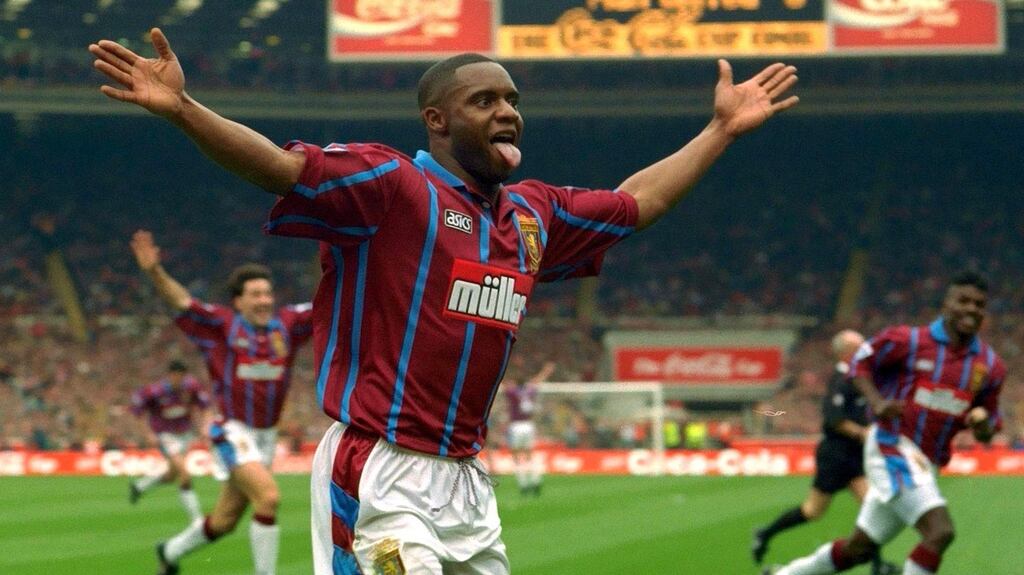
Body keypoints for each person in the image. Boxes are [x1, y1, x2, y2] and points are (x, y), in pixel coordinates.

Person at [90, 28, 798, 574]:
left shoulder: (531, 215)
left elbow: (640, 201)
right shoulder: (392, 187)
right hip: (378, 468)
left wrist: (719, 132)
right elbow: (280, 166)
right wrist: (182, 108)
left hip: (467, 478)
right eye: (485, 100)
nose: (507, 112)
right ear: (436, 118)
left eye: (514, 100)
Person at [764, 271, 1006, 575]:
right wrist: (877, 402)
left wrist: (982, 422)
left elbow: (990, 424)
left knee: (859, 549)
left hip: (926, 462)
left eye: (979, 304)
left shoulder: (990, 365)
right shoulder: (909, 340)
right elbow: (859, 364)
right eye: (964, 300)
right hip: (892, 446)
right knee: (940, 532)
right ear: (947, 303)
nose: (971, 308)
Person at [128, 230, 313, 575]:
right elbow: (184, 302)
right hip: (231, 430)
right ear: (238, 301)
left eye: (267, 293)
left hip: (266, 436)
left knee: (225, 520)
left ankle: (169, 552)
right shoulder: (221, 327)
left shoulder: (287, 325)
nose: (264, 300)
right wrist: (154, 271)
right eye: (255, 294)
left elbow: (329, 306)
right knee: (269, 498)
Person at [753, 330, 898, 575]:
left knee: (871, 507)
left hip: (853, 456)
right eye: (860, 346)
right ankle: (765, 533)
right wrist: (864, 434)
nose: (866, 350)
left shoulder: (857, 377)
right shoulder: (840, 379)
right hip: (836, 455)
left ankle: (877, 566)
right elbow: (834, 419)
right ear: (846, 352)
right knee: (813, 511)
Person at [129, 359, 211, 522]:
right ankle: (197, 520)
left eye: (182, 377)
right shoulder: (154, 391)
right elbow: (137, 411)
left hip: (185, 433)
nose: (179, 380)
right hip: (166, 435)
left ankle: (140, 486)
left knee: (171, 475)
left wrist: (205, 426)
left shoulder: (192, 387)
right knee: (184, 474)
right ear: (170, 375)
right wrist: (148, 433)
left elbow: (206, 407)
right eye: (176, 376)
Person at [503, 360, 556, 496]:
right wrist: (546, 371)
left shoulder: (512, 392)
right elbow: (537, 381)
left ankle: (523, 484)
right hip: (528, 425)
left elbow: (503, 383)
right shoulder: (530, 390)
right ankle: (536, 480)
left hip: (516, 426)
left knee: (516, 456)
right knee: (529, 455)